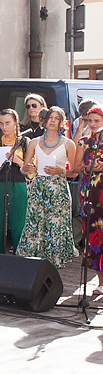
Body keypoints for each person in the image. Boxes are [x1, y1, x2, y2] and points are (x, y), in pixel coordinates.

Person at [16, 106, 77, 267]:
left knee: (55, 226)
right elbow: (24, 168)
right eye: (50, 117)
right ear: (44, 120)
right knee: (35, 224)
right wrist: (26, 169)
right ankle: (32, 261)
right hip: (38, 187)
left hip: (58, 188)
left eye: (56, 118)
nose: (52, 121)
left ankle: (53, 263)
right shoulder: (34, 142)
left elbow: (75, 172)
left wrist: (61, 170)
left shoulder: (68, 144)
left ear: (61, 122)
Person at [70, 106, 103, 293]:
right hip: (90, 193)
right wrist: (87, 166)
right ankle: (101, 282)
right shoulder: (84, 142)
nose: (92, 125)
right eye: (90, 121)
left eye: (96, 121)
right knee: (94, 237)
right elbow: (75, 166)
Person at [0, 109, 29, 255]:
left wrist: (17, 161)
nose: (4, 127)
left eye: (7, 123)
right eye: (1, 124)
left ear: (16, 123)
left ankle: (20, 255)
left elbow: (30, 170)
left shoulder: (24, 142)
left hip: (18, 184)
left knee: (18, 222)